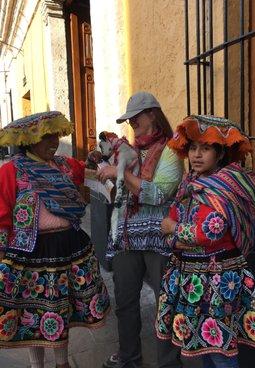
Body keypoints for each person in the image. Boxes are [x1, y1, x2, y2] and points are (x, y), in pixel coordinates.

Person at [156, 115, 255, 368]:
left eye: (206, 148)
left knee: (221, 349)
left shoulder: (226, 187)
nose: (197, 155)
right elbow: (168, 233)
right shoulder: (189, 184)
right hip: (191, 279)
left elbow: (211, 231)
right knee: (205, 347)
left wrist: (174, 229)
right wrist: (176, 235)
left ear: (220, 154)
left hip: (218, 281)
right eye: (193, 148)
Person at [0, 111, 110, 368]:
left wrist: (103, 162)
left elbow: (91, 173)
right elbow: (2, 214)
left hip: (68, 247)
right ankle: (37, 365)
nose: (54, 142)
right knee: (33, 314)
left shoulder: (64, 165)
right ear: (29, 139)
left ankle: (62, 363)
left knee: (61, 310)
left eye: (55, 136)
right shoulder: (12, 171)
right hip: (31, 251)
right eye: (46, 137)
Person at [98, 92, 184, 368]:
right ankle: (129, 358)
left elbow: (158, 195)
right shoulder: (130, 153)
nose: (132, 122)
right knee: (124, 303)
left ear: (153, 115)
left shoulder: (171, 150)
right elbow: (121, 194)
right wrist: (112, 182)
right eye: (129, 119)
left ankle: (169, 364)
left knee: (165, 306)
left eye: (137, 116)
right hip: (126, 237)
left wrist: (120, 174)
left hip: (158, 238)